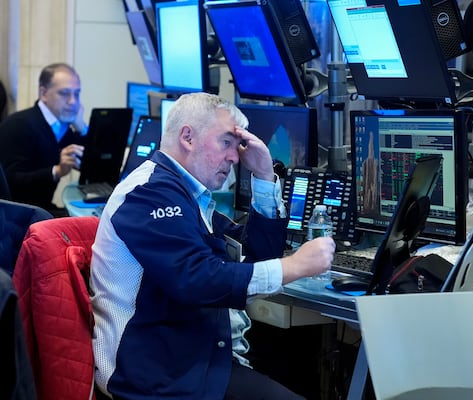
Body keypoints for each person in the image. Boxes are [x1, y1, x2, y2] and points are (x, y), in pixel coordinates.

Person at [90, 92, 335, 399]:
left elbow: (251, 259)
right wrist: (294, 266)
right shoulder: (148, 193)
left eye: (237, 145)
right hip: (156, 380)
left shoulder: (187, 196)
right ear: (188, 137)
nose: (235, 157)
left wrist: (262, 176)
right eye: (226, 142)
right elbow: (195, 279)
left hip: (196, 364)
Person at [0, 63, 86, 216]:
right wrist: (56, 171)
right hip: (17, 216)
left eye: (77, 94)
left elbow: (94, 166)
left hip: (40, 209)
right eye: (65, 93)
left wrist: (82, 128)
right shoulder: (19, 125)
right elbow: (11, 182)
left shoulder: (62, 126)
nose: (73, 101)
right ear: (43, 93)